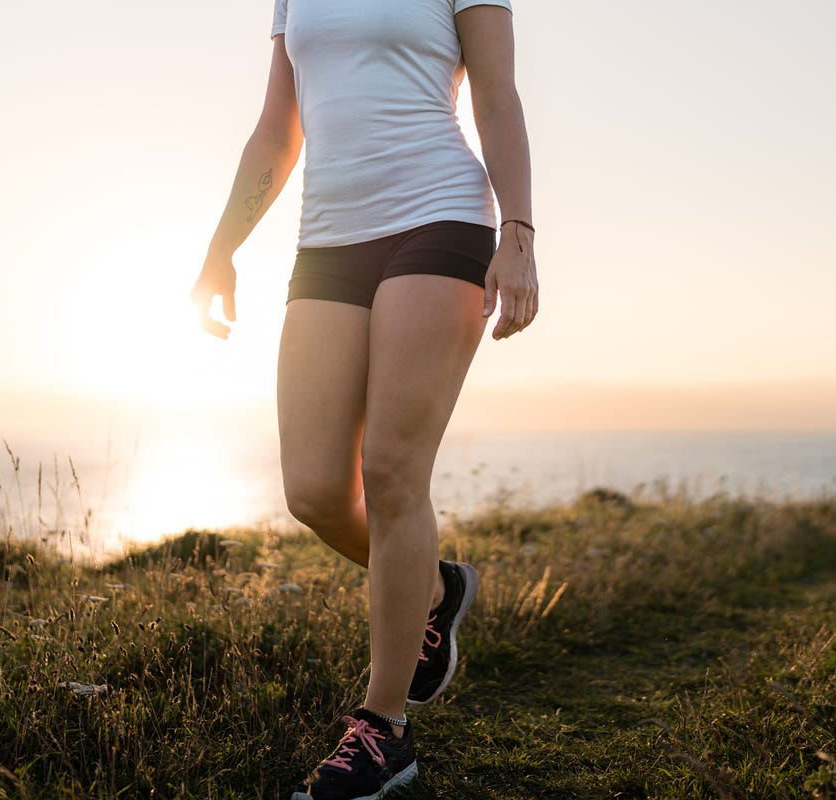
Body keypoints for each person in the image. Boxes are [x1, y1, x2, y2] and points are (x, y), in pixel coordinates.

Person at [190, 0, 536, 796]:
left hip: (440, 217)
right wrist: (220, 249)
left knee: (390, 472)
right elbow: (279, 127)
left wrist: (517, 232)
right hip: (329, 239)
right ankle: (439, 589)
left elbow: (497, 95)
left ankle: (384, 731)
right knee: (313, 489)